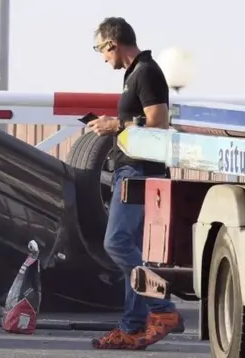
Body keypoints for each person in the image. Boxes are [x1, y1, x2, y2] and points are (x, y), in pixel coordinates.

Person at [87, 17, 183, 350]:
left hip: (140, 172)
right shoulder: (135, 74)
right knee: (132, 251)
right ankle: (130, 326)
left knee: (117, 244)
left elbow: (158, 120)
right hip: (133, 171)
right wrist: (116, 125)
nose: (101, 57)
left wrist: (116, 124)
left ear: (112, 43)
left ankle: (163, 309)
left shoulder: (146, 72)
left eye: (100, 49)